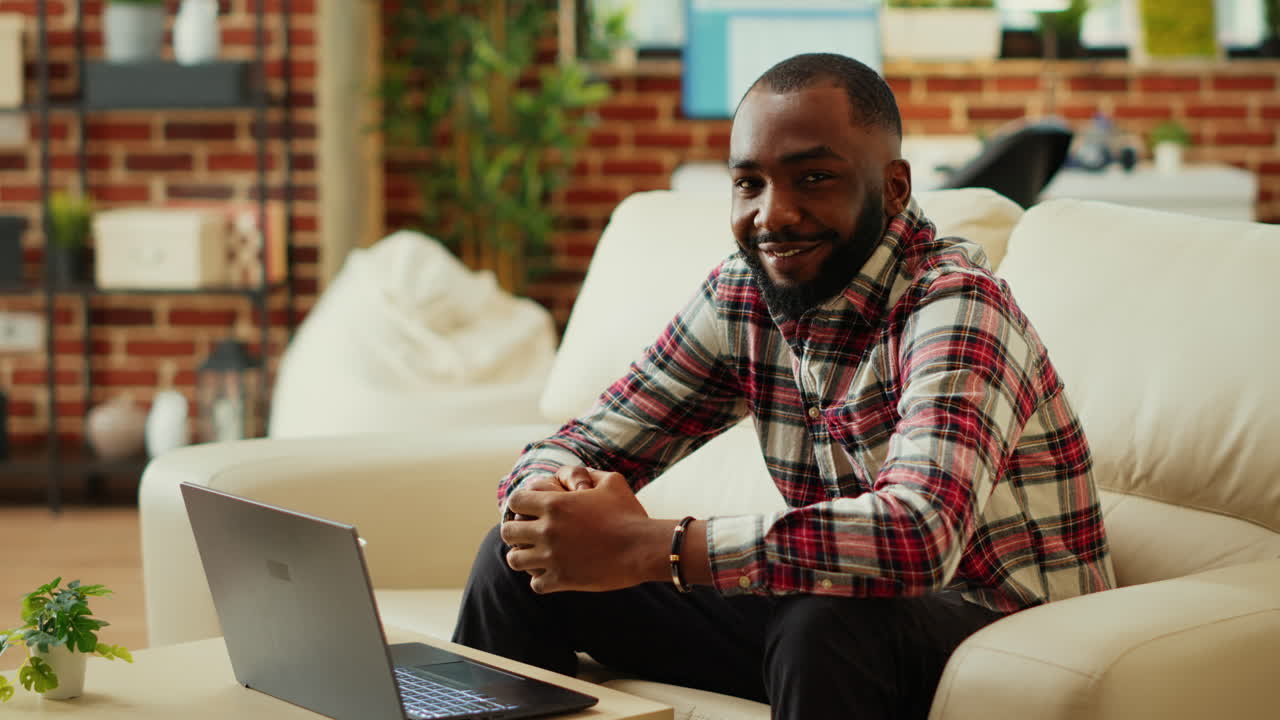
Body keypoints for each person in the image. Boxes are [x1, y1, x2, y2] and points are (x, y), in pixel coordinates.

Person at [452, 52, 1115, 720]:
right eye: (750, 184)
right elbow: (580, 441)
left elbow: (919, 535)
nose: (775, 214)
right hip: (835, 604)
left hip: (1007, 631)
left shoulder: (957, 306)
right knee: (520, 562)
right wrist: (551, 505)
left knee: (829, 626)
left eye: (814, 178)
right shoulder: (745, 293)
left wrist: (652, 546)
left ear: (893, 188)